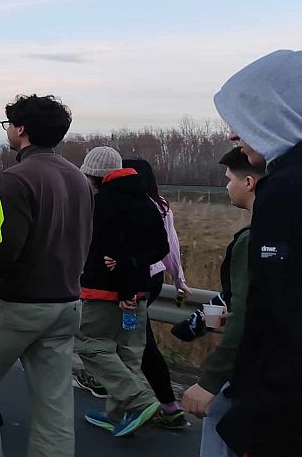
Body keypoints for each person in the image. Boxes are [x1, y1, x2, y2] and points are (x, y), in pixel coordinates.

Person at [212, 50, 302, 456]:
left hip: (301, 427)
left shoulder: (291, 192)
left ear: (274, 114)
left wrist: (256, 424)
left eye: (244, 116)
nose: (233, 135)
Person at [0, 95, 93, 457]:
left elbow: (5, 250)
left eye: (8, 125)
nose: (8, 132)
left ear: (22, 130)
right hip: (67, 302)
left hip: (19, 304)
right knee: (55, 404)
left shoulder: (16, 178)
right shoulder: (78, 178)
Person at [76, 146, 169, 437]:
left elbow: (104, 249)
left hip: (102, 292)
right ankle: (116, 415)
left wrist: (123, 282)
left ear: (92, 175)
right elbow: (161, 248)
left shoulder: (100, 204)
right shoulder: (146, 203)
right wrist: (133, 271)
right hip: (139, 292)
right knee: (129, 354)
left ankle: (139, 401)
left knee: (90, 344)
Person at [180, 147, 261, 457]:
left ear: (249, 182)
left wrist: (211, 380)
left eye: (229, 179)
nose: (227, 185)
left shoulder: (254, 238)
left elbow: (246, 312)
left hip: (251, 371)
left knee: (218, 416)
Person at [121, 158, 191, 429]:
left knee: (136, 343)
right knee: (134, 339)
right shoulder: (160, 205)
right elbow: (171, 245)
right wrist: (179, 279)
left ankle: (151, 405)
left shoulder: (130, 206)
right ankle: (160, 405)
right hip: (154, 279)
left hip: (135, 279)